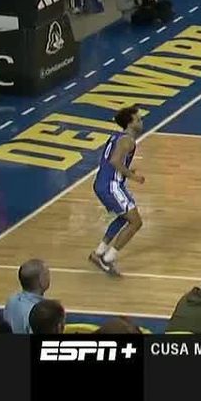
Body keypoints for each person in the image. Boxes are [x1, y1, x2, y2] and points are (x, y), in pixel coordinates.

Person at [88, 106, 145, 276]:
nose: (141, 122)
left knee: (122, 217)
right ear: (130, 123)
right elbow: (114, 161)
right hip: (111, 186)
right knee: (136, 222)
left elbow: (111, 162)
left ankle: (98, 253)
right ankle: (107, 259)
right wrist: (133, 176)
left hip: (103, 183)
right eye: (138, 119)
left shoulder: (117, 137)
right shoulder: (128, 140)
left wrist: (127, 170)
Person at [3, 259, 50, 333]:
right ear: (41, 280)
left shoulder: (11, 300)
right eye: (47, 274)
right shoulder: (40, 313)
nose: (49, 277)